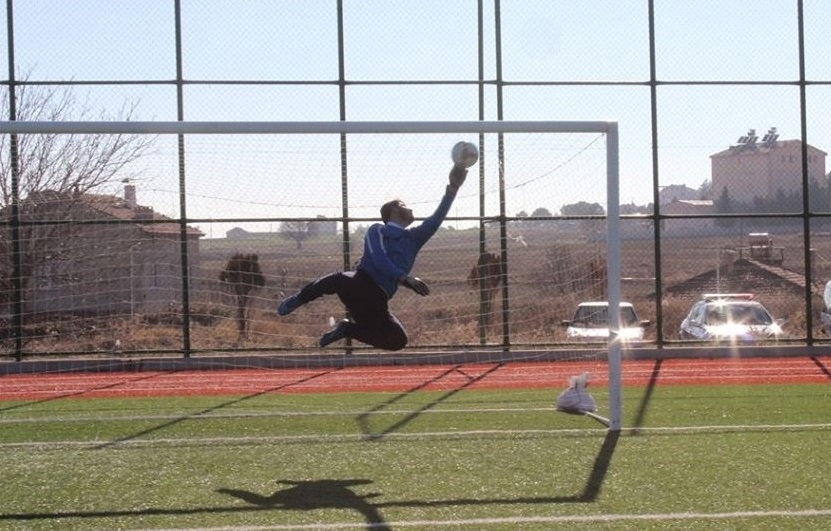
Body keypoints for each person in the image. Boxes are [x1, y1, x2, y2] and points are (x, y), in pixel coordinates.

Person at [277, 163, 468, 350]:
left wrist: (453, 189)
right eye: (404, 206)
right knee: (338, 279)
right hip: (360, 282)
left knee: (398, 340)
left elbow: (437, 218)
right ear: (394, 210)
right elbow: (379, 258)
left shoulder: (414, 238)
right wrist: (405, 278)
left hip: (377, 301)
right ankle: (299, 299)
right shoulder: (377, 230)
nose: (410, 210)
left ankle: (347, 329)